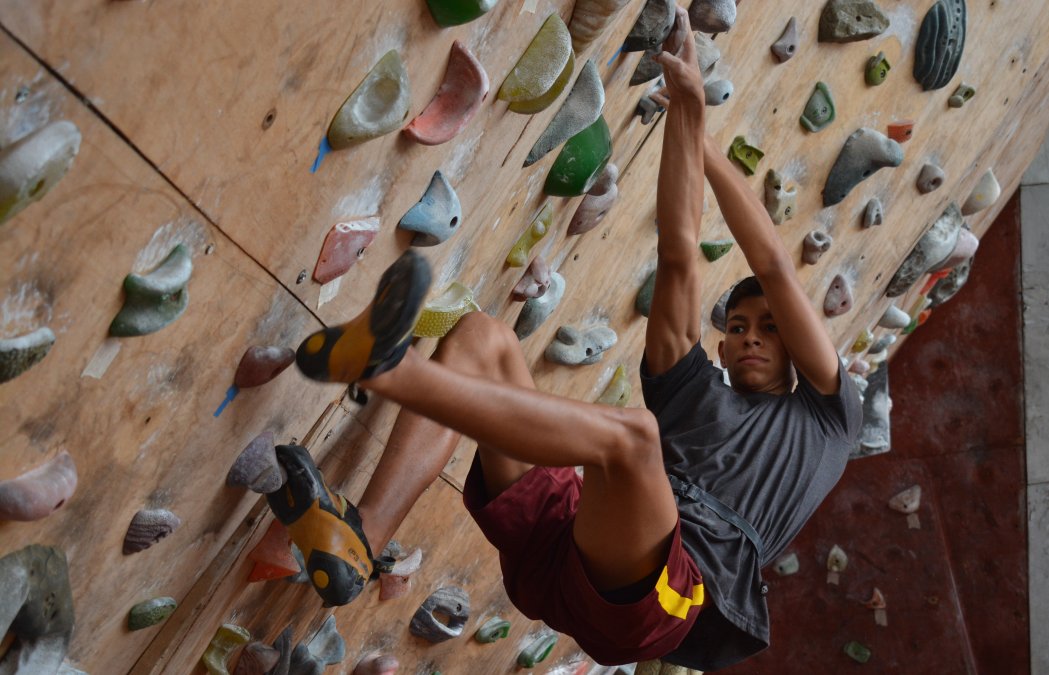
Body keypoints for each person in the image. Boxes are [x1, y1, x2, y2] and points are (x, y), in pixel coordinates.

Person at [269, 8, 861, 670]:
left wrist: (707, 141)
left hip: (667, 602)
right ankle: (359, 538)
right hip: (567, 552)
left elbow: (776, 267)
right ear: (719, 345)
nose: (752, 335)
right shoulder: (690, 388)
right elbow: (679, 252)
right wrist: (688, 117)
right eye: (741, 326)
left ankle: (386, 366)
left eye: (771, 328)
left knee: (633, 437)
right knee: (480, 338)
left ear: (798, 352)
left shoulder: (831, 415)